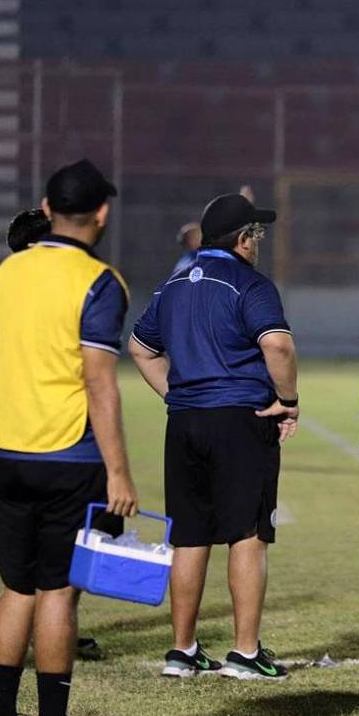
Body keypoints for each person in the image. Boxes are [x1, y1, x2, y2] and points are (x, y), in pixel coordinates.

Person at [0, 159, 140, 716]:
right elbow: (99, 383)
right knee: (57, 593)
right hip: (67, 457)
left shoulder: (7, 272)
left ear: (46, 209)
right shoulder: (100, 282)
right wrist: (119, 472)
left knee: (16, 588)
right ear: (102, 213)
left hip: (4, 452)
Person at [129, 192, 298, 681]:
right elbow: (278, 345)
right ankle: (245, 653)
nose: (258, 243)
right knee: (248, 534)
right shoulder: (249, 283)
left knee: (190, 535)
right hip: (239, 419)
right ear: (243, 240)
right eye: (256, 234)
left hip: (185, 422)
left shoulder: (172, 284)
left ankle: (182, 650)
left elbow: (140, 348)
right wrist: (288, 400)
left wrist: (178, 394)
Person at [0, 209, 104, 663]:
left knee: (8, 540)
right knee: (15, 537)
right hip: (40, 433)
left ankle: (15, 628)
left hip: (8, 431)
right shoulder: (39, 288)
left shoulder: (3, 285)